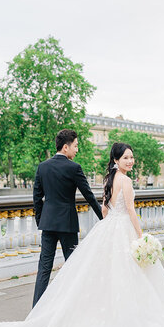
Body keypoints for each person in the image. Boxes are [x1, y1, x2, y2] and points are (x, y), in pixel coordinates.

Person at [0, 142, 164, 327]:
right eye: (126, 158)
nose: (130, 161)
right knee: (125, 277)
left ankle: (46, 313)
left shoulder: (108, 179)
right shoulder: (125, 180)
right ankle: (125, 325)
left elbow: (105, 208)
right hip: (119, 227)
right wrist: (141, 235)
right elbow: (131, 211)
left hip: (102, 227)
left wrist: (108, 220)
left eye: (131, 157)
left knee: (82, 273)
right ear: (116, 160)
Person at [31, 129, 103, 307]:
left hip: (48, 223)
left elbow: (36, 198)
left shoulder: (42, 167)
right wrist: (103, 217)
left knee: (44, 268)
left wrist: (41, 221)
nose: (77, 150)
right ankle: (73, 307)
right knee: (72, 266)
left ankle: (36, 309)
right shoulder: (74, 168)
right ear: (65, 147)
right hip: (67, 224)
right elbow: (89, 196)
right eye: (76, 146)